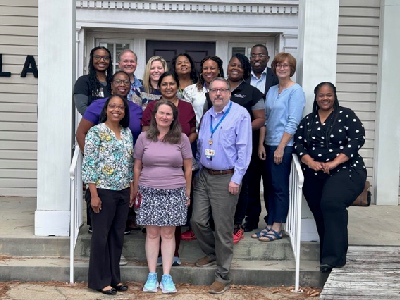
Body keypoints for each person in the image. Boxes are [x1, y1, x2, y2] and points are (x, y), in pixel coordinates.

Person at [294, 82, 366, 273]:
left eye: (329, 95)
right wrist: (310, 162)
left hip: (347, 169)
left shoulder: (346, 115)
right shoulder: (308, 120)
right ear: (316, 98)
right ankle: (331, 253)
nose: (325, 98)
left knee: (332, 203)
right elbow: (298, 145)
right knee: (320, 211)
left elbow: (357, 140)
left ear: (334, 96)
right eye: (321, 95)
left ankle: (333, 259)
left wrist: (334, 162)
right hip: (315, 172)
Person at [191, 77, 252, 294]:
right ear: (209, 94)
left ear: (228, 93)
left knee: (223, 228)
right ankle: (213, 252)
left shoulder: (240, 115)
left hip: (226, 177)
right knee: (197, 220)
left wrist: (237, 178)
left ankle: (222, 275)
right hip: (204, 175)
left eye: (222, 90)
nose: (218, 94)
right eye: (214, 90)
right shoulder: (207, 116)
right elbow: (202, 145)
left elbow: (244, 150)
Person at [204, 53, 265, 243]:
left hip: (242, 147)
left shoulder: (252, 92)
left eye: (239, 65)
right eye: (232, 65)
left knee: (243, 186)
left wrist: (240, 128)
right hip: (217, 151)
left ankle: (240, 223)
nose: (234, 68)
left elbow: (262, 119)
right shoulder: (216, 91)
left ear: (245, 69)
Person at [133, 100, 192, 294]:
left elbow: (188, 168)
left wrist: (187, 192)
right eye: (161, 113)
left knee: (168, 234)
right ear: (155, 115)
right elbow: (137, 166)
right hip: (148, 190)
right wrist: (135, 190)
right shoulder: (143, 137)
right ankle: (151, 276)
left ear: (173, 117)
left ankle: (166, 276)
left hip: (174, 190)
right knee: (151, 234)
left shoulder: (182, 138)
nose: (164, 117)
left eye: (168, 114)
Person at [76, 71, 142, 239]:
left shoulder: (135, 109)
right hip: (102, 180)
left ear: (130, 85)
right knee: (100, 230)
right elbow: (81, 133)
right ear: (111, 84)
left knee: (120, 230)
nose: (122, 84)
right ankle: (101, 263)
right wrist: (96, 160)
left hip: (124, 178)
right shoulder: (98, 106)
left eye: (126, 81)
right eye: (118, 81)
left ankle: (114, 260)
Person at [141, 71, 197, 265]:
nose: (168, 87)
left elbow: (192, 132)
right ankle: (154, 261)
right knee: (153, 227)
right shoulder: (151, 107)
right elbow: (145, 136)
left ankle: (173, 257)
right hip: (152, 178)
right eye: (164, 84)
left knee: (171, 225)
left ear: (177, 86)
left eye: (172, 83)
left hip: (176, 172)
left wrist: (179, 146)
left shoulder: (187, 108)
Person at [82, 95, 133, 295]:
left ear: (124, 111)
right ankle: (99, 280)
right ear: (106, 109)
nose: (116, 110)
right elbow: (89, 164)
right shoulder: (96, 132)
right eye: (112, 106)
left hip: (122, 191)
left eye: (120, 107)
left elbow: (129, 163)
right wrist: (93, 194)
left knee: (117, 236)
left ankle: (114, 278)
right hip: (102, 190)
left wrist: (131, 188)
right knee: (101, 237)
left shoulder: (127, 133)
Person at [255, 52, 305, 242]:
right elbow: (266, 119)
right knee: (268, 186)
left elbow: (293, 121)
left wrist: (281, 147)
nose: (282, 68)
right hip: (268, 144)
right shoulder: (273, 90)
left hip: (283, 145)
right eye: (278, 65)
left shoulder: (296, 91)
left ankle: (278, 226)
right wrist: (261, 144)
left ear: (291, 68)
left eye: (286, 65)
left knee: (279, 187)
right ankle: (269, 223)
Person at [244, 44, 279, 231]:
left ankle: (272, 218)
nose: (257, 58)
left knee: (270, 180)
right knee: (251, 180)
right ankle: (251, 218)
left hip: (271, 135)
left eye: (261, 55)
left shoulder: (275, 79)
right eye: (254, 55)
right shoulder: (244, 78)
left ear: (267, 58)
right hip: (250, 134)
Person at [183, 56, 224, 129]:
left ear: (219, 70)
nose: (208, 71)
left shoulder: (226, 91)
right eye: (205, 68)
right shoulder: (190, 91)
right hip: (198, 135)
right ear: (201, 71)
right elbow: (187, 116)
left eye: (212, 68)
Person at [74, 46, 113, 115]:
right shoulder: (83, 81)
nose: (102, 60)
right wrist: (105, 119)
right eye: (97, 57)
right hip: (92, 124)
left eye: (106, 58)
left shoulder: (113, 82)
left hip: (114, 124)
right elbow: (82, 108)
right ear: (92, 60)